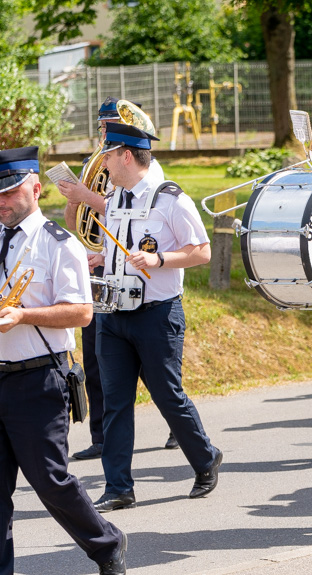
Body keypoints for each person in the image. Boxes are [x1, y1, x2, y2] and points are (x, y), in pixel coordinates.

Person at [0, 147, 127, 574]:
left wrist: (23, 315)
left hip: (38, 380)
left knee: (51, 482)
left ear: (35, 189)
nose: (2, 203)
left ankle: (106, 544)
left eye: (11, 194)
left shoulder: (59, 244)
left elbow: (81, 312)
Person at [91, 123, 222, 512]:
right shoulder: (115, 196)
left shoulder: (171, 199)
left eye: (108, 156)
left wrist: (159, 259)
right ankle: (118, 488)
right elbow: (121, 246)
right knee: (115, 401)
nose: (104, 164)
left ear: (126, 156)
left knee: (167, 394)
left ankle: (205, 459)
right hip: (114, 313)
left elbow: (202, 252)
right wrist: (101, 259)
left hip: (157, 314)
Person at [58, 96, 179, 457]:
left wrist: (87, 197)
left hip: (142, 285)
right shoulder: (96, 164)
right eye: (102, 126)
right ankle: (101, 439)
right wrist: (73, 200)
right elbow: (80, 225)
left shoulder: (146, 168)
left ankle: (179, 426)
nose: (103, 133)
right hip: (104, 275)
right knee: (96, 362)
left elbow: (136, 207)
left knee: (154, 372)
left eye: (109, 126)